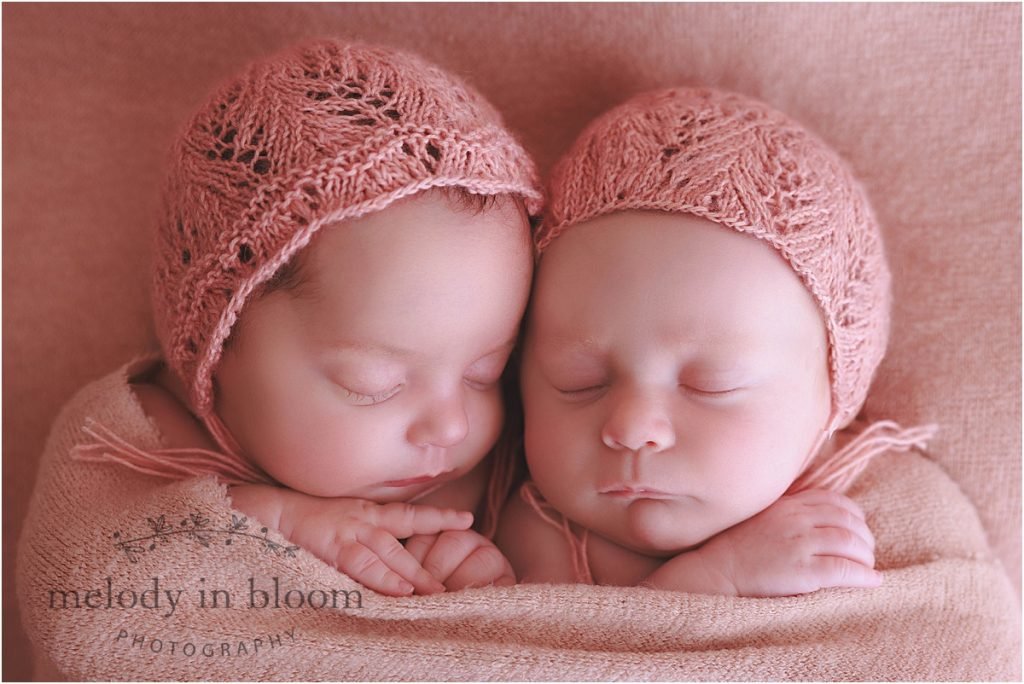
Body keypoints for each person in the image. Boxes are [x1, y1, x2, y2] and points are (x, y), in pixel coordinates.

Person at [47, 39, 542, 597]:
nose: (451, 427)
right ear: (220, 351)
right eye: (372, 385)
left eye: (488, 371)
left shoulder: (505, 468)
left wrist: (483, 591)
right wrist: (266, 523)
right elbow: (75, 591)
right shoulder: (129, 443)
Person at [496, 87, 936, 595]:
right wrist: (705, 584)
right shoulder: (518, 533)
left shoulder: (876, 512)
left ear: (834, 398)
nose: (633, 428)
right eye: (579, 381)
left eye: (711, 384)